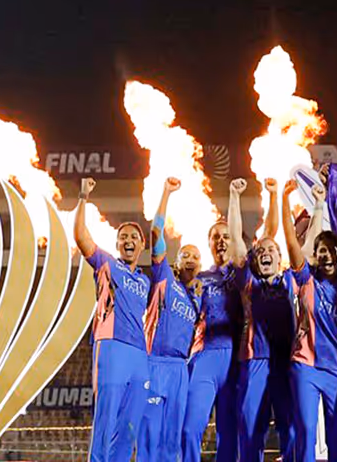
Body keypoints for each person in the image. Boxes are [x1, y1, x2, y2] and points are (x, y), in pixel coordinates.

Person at [75, 177, 151, 462]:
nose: (128, 240)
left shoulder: (145, 281)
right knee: (106, 418)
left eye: (134, 237)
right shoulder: (107, 263)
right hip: (112, 347)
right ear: (117, 244)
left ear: (142, 244)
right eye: (123, 237)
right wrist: (83, 197)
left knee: (130, 426)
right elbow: (81, 236)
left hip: (139, 355)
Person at [282, 178, 337, 462]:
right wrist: (285, 200)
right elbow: (291, 242)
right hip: (306, 366)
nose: (324, 254)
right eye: (319, 250)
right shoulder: (305, 279)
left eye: (329, 250)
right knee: (306, 432)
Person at [233, 178, 299, 462]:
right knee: (251, 430)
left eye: (271, 250)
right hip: (256, 360)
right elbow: (237, 239)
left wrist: (278, 197)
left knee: (292, 429)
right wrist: (235, 197)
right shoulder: (249, 282)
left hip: (287, 362)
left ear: (281, 258)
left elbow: (280, 234)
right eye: (260, 252)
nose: (265, 253)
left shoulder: (293, 279)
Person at [140, 177, 204, 462]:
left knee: (171, 441)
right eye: (185, 254)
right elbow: (155, 232)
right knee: (149, 435)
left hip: (180, 369)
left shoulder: (198, 297)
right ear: (176, 262)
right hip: (154, 362)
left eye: (195, 257)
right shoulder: (165, 277)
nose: (190, 258)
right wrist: (166, 192)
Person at [182, 180, 245, 462]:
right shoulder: (200, 278)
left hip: (235, 360)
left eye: (226, 236)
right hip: (205, 357)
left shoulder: (241, 273)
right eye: (215, 237)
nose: (221, 240)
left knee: (229, 435)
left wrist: (234, 197)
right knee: (189, 430)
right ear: (208, 243)